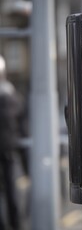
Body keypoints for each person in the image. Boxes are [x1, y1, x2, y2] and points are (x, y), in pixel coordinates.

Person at [0, 55, 21, 230]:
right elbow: (20, 124)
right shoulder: (11, 94)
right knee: (11, 190)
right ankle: (15, 224)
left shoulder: (9, 94)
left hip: (7, 148)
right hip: (8, 149)